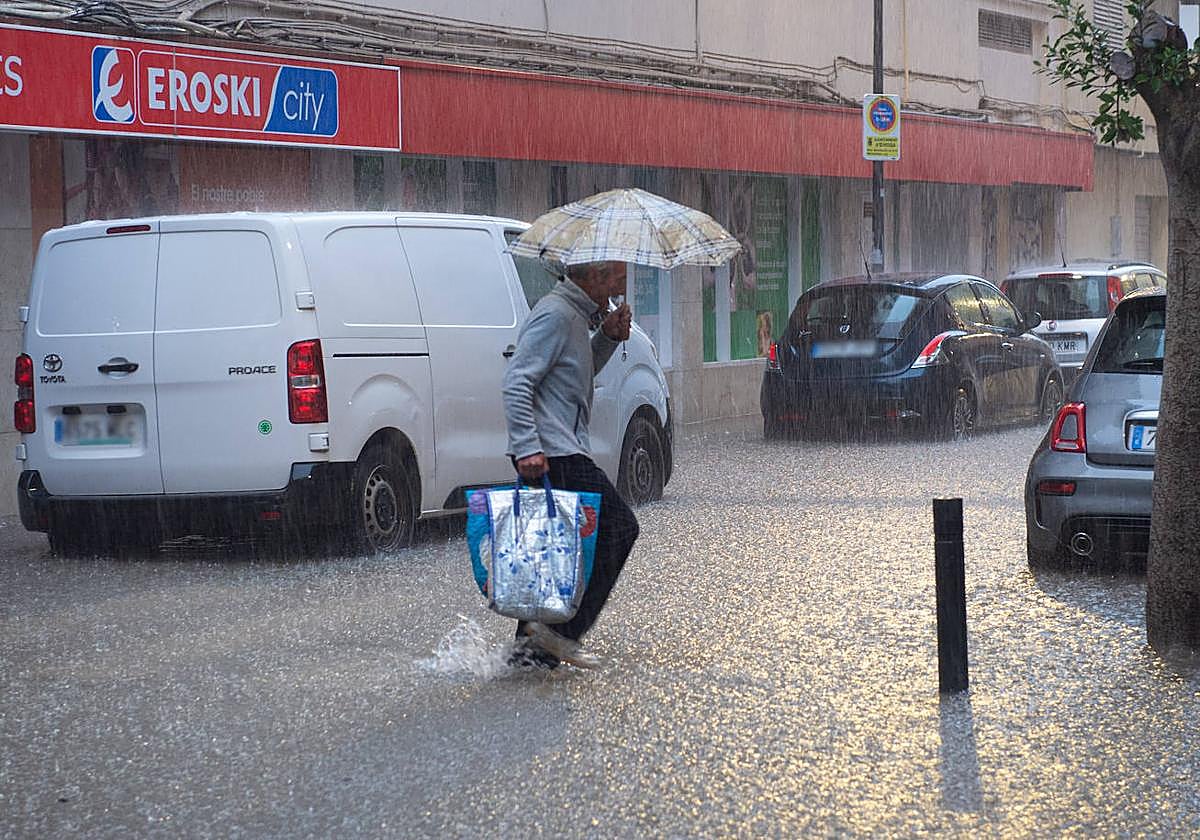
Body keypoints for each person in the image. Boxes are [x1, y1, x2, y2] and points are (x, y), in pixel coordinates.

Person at [502, 260, 640, 669]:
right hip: (553, 452)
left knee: (554, 552)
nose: (621, 286)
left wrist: (608, 338)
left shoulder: (575, 317)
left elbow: (574, 374)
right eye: (617, 277)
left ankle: (529, 660)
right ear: (593, 277)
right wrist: (527, 446)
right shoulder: (555, 315)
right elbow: (517, 381)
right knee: (618, 528)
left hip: (560, 447)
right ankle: (562, 633)